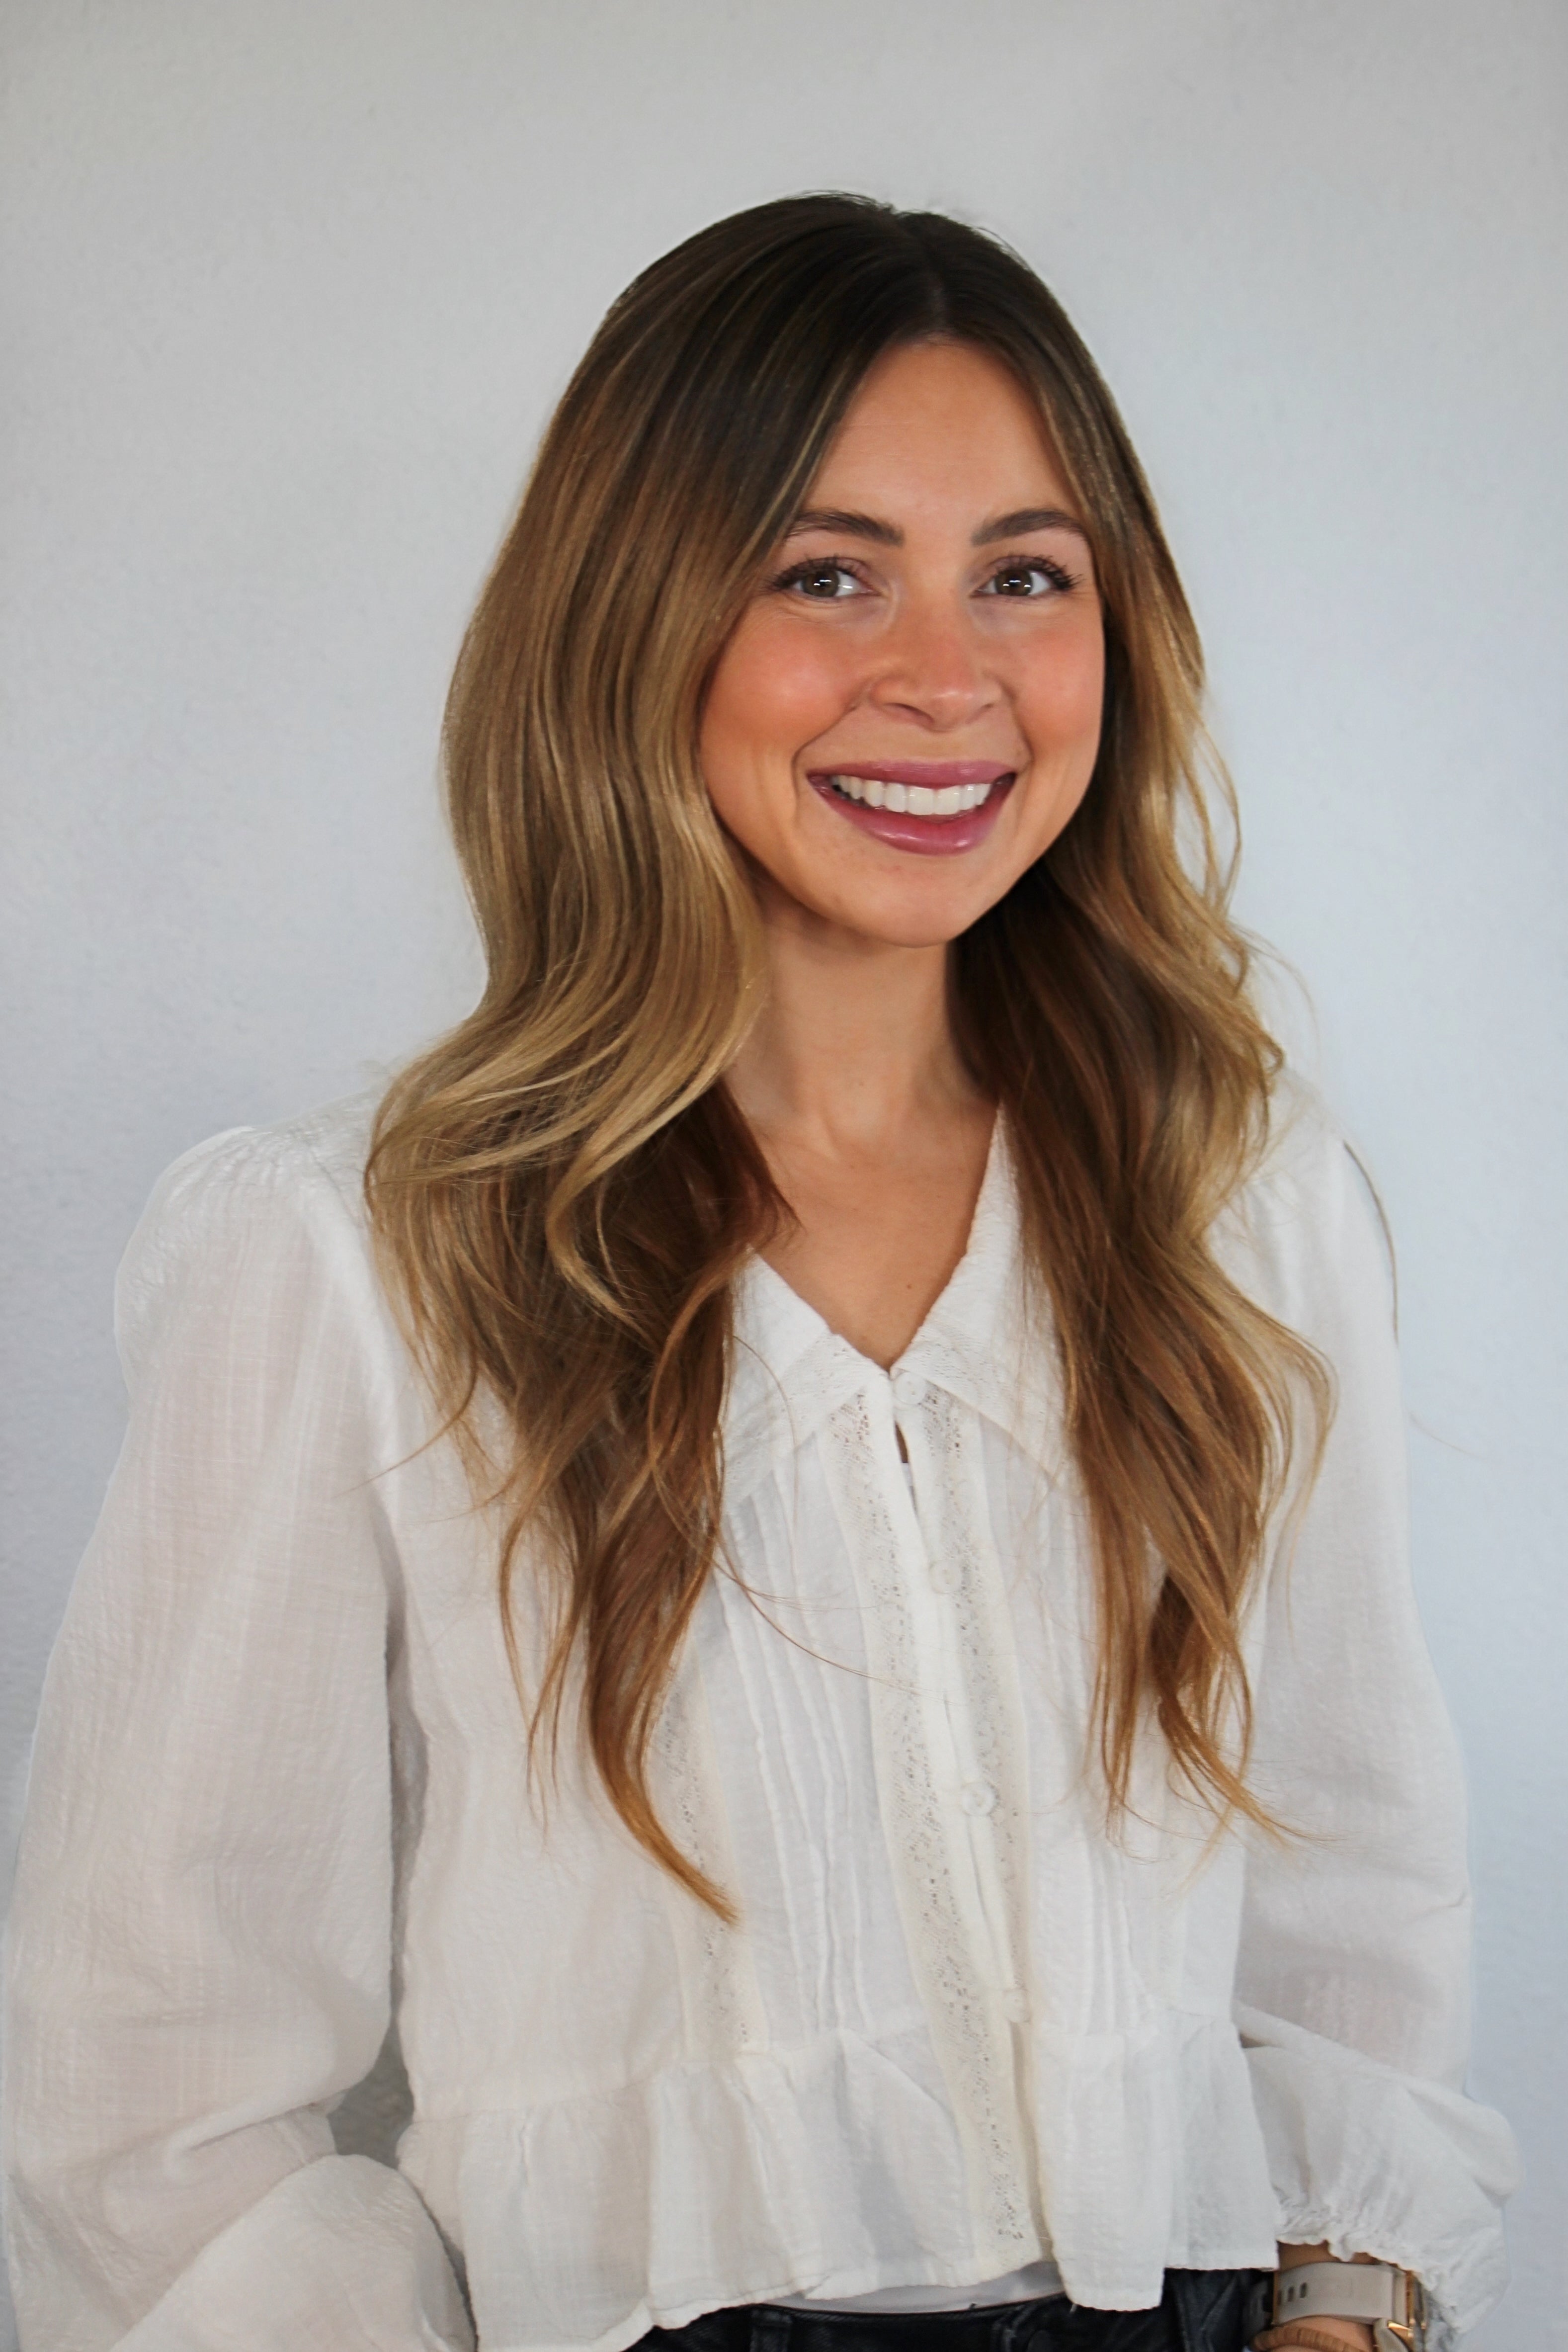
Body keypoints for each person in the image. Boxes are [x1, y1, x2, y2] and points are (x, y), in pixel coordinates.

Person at [1, 195, 1518, 2352]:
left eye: (1025, 573)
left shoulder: (1232, 1213)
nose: (947, 676)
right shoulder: (355, 1271)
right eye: (826, 572)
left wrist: (1349, 2318)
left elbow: (1355, 1909)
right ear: (636, 622)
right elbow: (155, 2103)